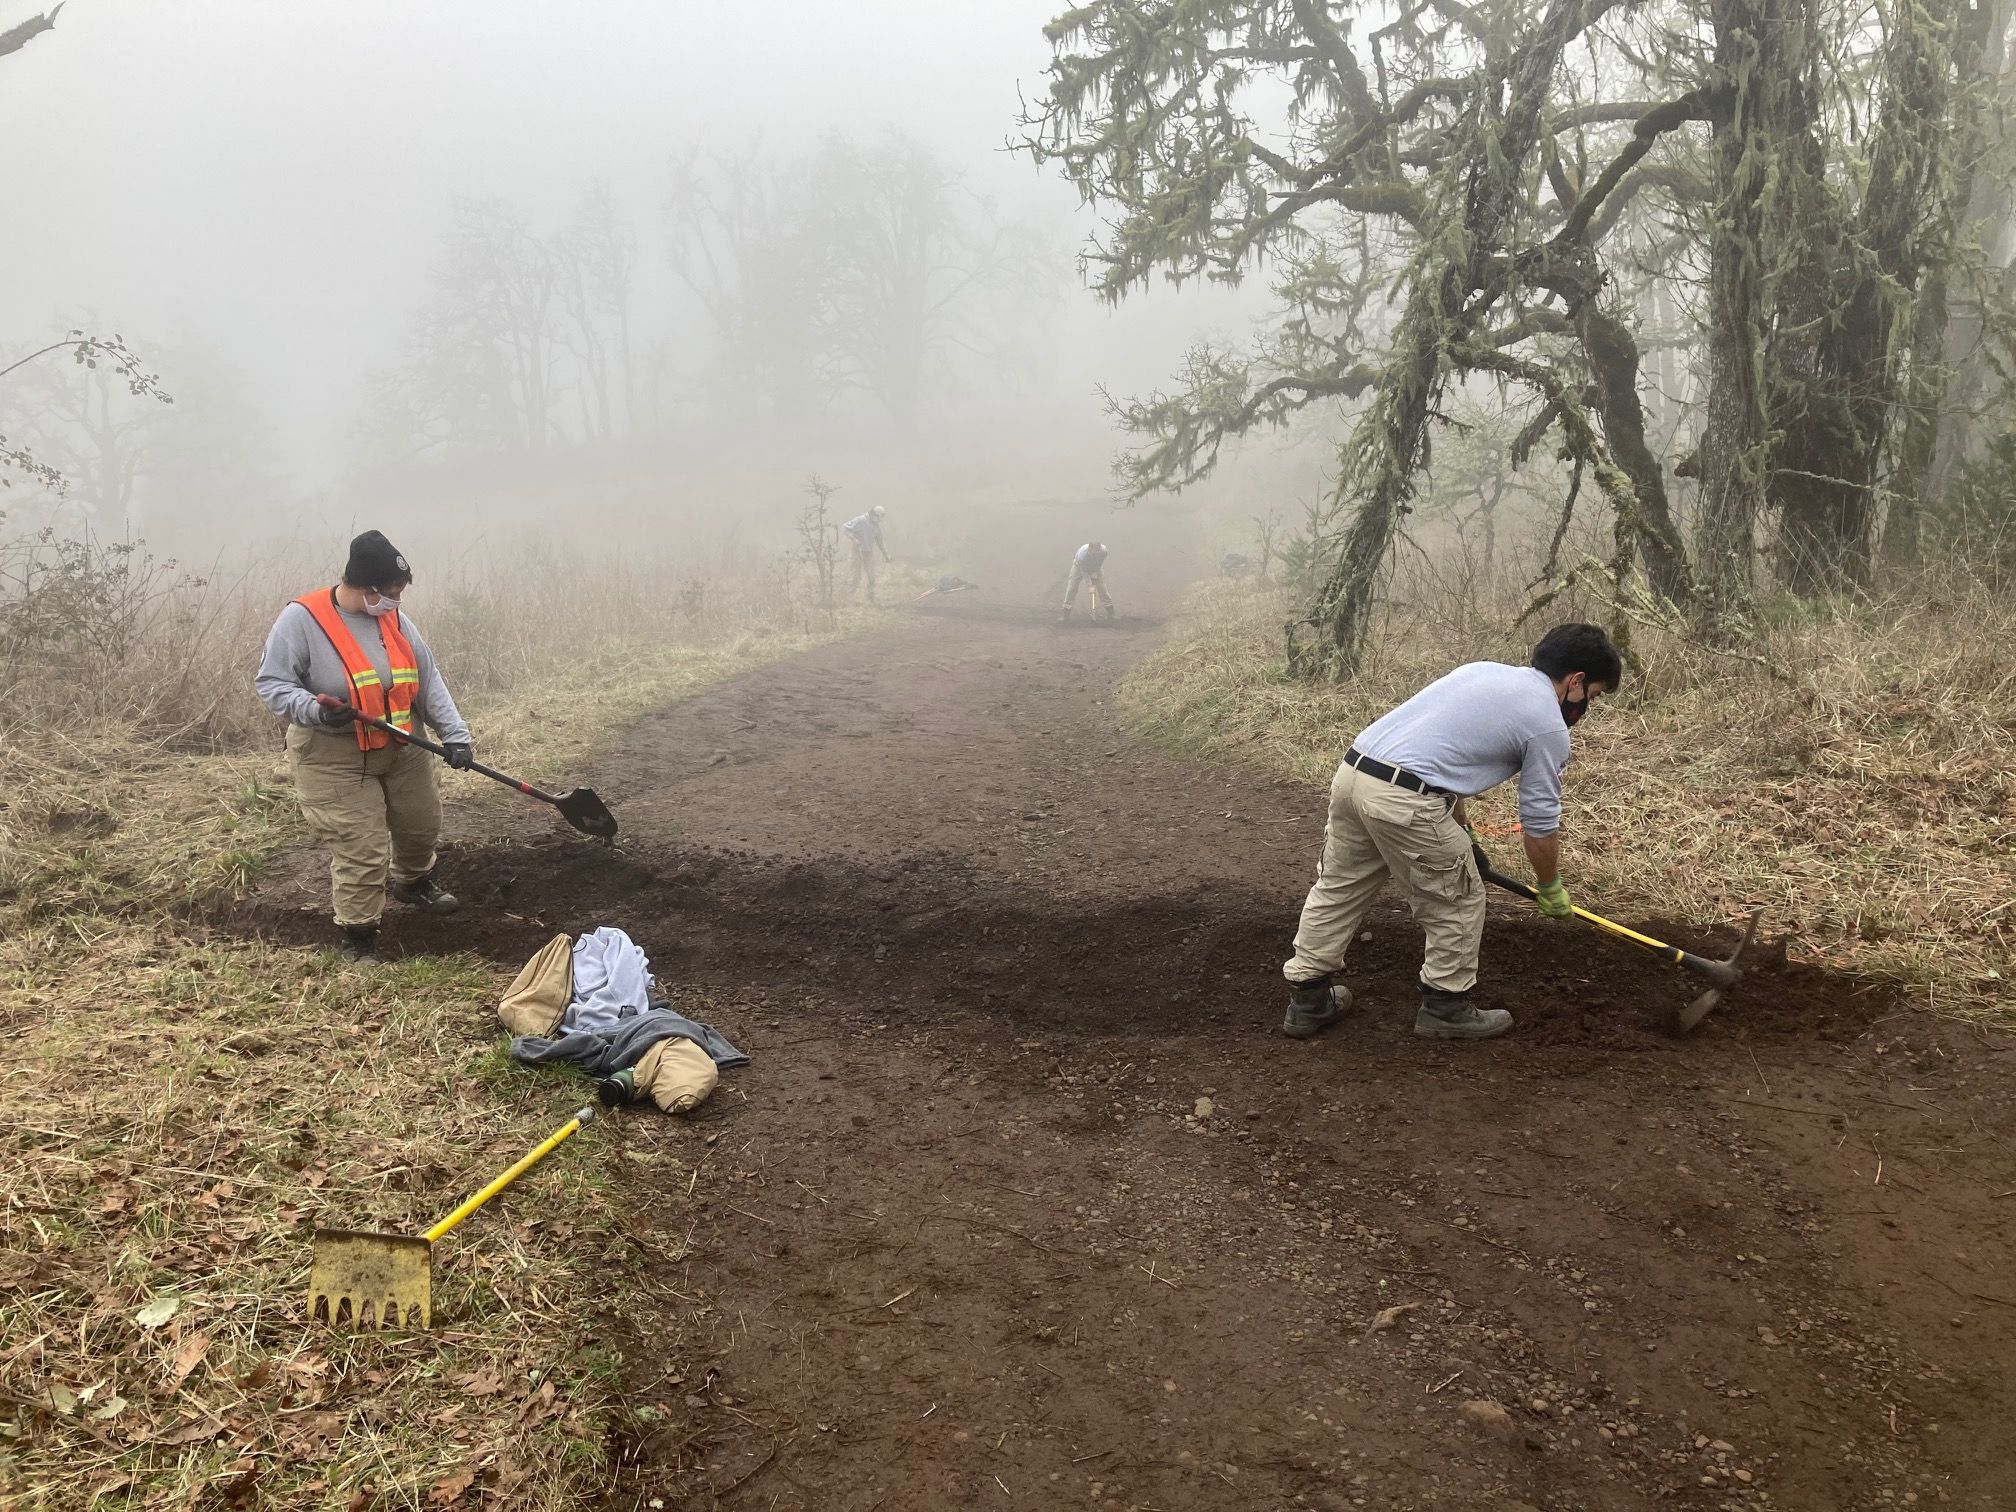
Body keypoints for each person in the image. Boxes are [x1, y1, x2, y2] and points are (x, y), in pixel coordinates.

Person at [1279, 623, 1622, 1042]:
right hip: (1404, 799)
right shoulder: (1547, 724)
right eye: (1595, 695)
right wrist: (1550, 886)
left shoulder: (1482, 672)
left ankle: (1309, 998)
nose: (1589, 704)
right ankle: (1446, 1006)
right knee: (1457, 898)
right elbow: (1539, 823)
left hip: (1354, 773)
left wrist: (1469, 839)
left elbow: (1441, 764)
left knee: (1340, 884)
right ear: (1577, 680)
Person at [254, 530, 475, 962]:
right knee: (362, 847)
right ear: (364, 587)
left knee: (420, 824)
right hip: (334, 754)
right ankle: (358, 939)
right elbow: (272, 683)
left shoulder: (393, 619)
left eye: (399, 593)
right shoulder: (302, 620)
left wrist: (456, 735)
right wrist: (314, 710)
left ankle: (413, 883)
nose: (395, 602)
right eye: (390, 593)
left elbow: (427, 679)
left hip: (404, 744)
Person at [842, 505, 889, 601]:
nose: (879, 521)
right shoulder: (860, 520)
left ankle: (870, 598)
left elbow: (880, 542)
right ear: (874, 514)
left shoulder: (876, 527)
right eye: (878, 518)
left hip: (868, 553)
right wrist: (854, 539)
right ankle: (848, 599)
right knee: (856, 576)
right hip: (856, 551)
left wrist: (886, 555)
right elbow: (846, 528)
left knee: (872, 576)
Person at [1061, 541, 1114, 619]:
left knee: (1102, 588)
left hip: (1096, 567)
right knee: (1072, 588)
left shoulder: (1104, 551)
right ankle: (1066, 613)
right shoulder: (1082, 555)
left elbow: (1099, 563)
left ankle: (1111, 612)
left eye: (1095, 553)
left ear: (1099, 550)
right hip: (1079, 567)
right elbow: (1084, 571)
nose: (1093, 554)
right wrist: (1090, 585)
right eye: (1091, 553)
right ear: (1089, 549)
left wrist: (1095, 573)